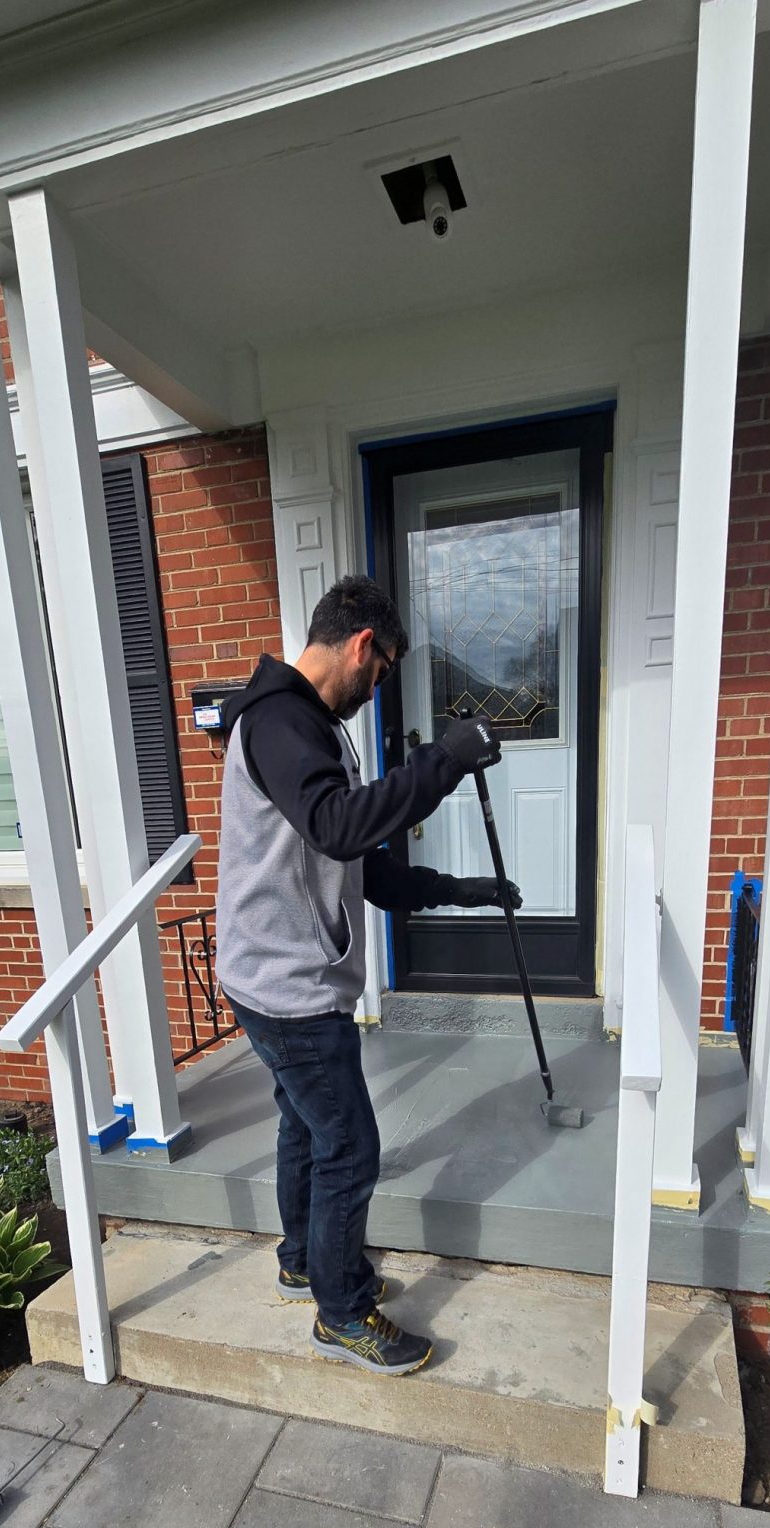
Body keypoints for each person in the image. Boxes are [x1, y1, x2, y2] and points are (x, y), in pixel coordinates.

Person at [215, 574, 520, 1377]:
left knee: (304, 1124)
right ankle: (341, 1312)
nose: (377, 687)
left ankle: (301, 1260)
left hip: (270, 976)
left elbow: (364, 869)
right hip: (288, 988)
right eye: (382, 671)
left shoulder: (308, 726)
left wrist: (463, 892)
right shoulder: (281, 722)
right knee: (349, 1144)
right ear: (362, 646)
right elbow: (338, 826)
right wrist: (443, 763)